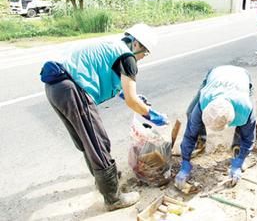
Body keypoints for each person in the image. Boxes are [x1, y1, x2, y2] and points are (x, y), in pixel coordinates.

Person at [40, 24, 169, 211]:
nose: (142, 58)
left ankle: (102, 181)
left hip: (55, 88)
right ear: (136, 44)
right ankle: (113, 199)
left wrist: (135, 99)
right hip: (72, 89)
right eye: (145, 53)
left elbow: (120, 88)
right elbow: (132, 101)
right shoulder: (127, 57)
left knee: (86, 141)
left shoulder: (112, 46)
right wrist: (152, 115)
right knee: (98, 142)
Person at [174, 65, 256, 189]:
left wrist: (238, 163)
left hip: (241, 77)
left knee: (243, 129)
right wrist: (185, 162)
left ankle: (237, 154)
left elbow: (249, 138)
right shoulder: (204, 101)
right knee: (190, 113)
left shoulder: (245, 109)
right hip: (216, 75)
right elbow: (189, 134)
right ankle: (199, 144)